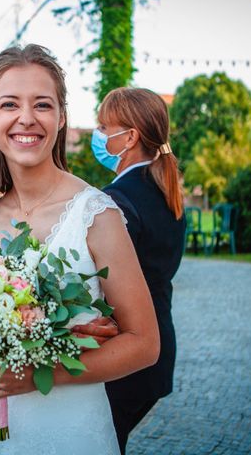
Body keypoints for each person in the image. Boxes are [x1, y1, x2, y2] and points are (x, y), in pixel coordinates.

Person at [0, 44, 160, 454]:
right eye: (10, 104)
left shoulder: (96, 214)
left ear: (61, 117)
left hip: (69, 426)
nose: (26, 118)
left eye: (42, 105)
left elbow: (144, 344)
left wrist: (43, 372)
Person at [93, 87, 186, 454]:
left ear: (129, 137)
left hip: (126, 355)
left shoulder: (118, 199)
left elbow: (103, 286)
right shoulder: (165, 190)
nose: (99, 136)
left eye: (104, 127)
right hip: (160, 347)